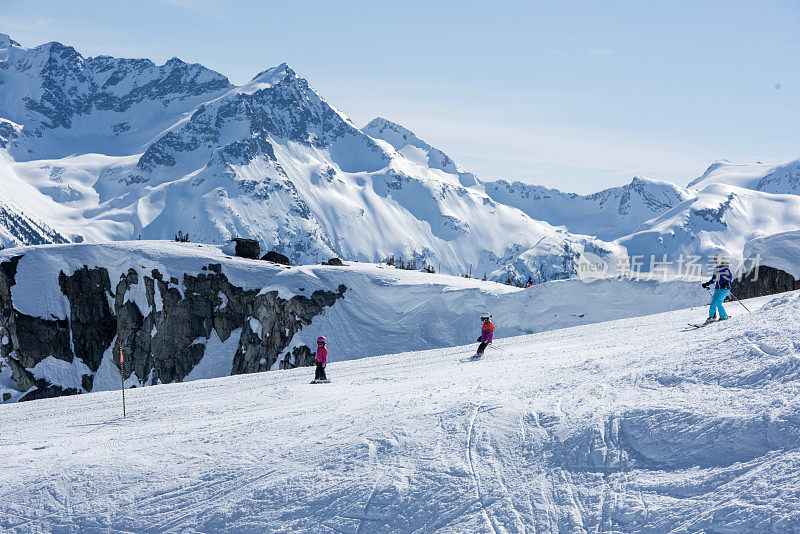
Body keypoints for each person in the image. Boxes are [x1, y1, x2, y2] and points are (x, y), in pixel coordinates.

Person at [701, 254, 732, 324]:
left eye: (717, 260)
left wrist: (726, 283)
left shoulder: (725, 268)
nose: (716, 262)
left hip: (724, 288)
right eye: (715, 260)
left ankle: (724, 317)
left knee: (718, 302)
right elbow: (713, 279)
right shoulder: (716, 269)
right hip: (717, 289)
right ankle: (712, 317)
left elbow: (729, 277)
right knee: (713, 303)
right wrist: (707, 284)